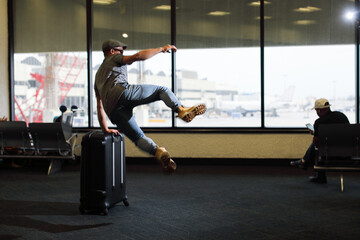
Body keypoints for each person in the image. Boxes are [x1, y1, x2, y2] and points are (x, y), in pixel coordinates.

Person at [95, 39, 206, 173]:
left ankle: (158, 152)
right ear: (112, 51)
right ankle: (180, 110)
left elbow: (99, 106)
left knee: (137, 137)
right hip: (122, 93)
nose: (122, 53)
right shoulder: (113, 59)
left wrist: (105, 129)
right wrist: (161, 49)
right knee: (161, 90)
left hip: (112, 111)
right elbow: (137, 57)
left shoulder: (97, 77)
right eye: (120, 51)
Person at [290, 98, 349, 183]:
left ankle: (305, 162)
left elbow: (316, 142)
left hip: (328, 154)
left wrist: (315, 133)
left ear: (319, 110)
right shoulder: (342, 116)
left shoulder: (319, 122)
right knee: (321, 146)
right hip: (346, 153)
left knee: (318, 147)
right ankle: (303, 161)